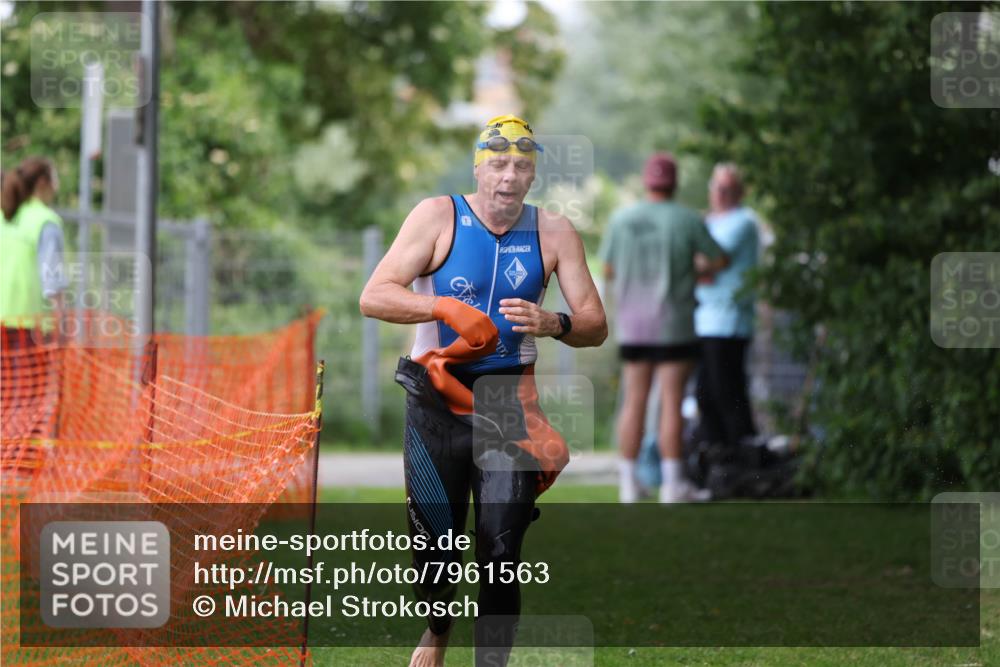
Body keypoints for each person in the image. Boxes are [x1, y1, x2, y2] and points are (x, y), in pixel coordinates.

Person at [359, 114, 607, 667]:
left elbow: (595, 324)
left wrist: (554, 323)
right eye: (497, 164)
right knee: (434, 546)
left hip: (506, 400)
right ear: (478, 168)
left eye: (520, 166)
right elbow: (373, 295)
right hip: (434, 397)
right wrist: (442, 307)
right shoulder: (437, 216)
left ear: (533, 174)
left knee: (501, 546)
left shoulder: (555, 232)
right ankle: (437, 628)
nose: (508, 176)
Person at [600, 153, 728, 504]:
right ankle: (672, 486)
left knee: (634, 401)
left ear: (647, 182)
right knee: (672, 402)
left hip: (633, 326)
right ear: (674, 183)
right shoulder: (687, 219)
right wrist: (694, 268)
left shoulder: (622, 219)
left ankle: (629, 485)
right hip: (675, 325)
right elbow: (720, 259)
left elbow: (608, 269)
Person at [694, 163, 760, 450]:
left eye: (727, 189)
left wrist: (696, 264)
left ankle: (742, 453)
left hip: (728, 320)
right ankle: (720, 456)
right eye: (717, 187)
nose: (720, 194)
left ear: (739, 193)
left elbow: (709, 260)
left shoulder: (742, 221)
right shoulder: (709, 222)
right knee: (706, 394)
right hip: (705, 319)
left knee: (727, 393)